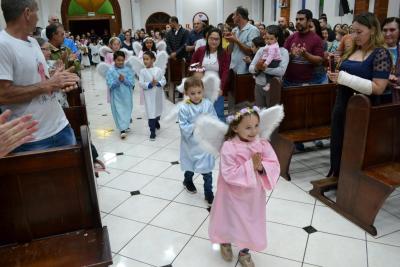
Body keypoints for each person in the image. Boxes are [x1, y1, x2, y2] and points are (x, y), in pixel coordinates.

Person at [0, 0, 79, 153]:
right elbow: (3, 94)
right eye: (37, 12)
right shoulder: (3, 45)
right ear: (27, 13)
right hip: (32, 138)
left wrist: (57, 81)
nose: (38, 18)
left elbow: (40, 82)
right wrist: (47, 85)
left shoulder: (34, 43)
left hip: (60, 125)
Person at [208, 105, 280, 267]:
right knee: (228, 219)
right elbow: (228, 172)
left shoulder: (262, 144)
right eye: (248, 127)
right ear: (235, 127)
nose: (254, 131)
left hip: (252, 197)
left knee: (250, 223)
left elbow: (274, 164)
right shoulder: (229, 146)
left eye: (256, 126)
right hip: (231, 195)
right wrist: (250, 165)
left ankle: (244, 252)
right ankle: (225, 241)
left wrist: (261, 167)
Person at [327, 12, 392, 177]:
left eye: (359, 32)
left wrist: (344, 78)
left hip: (364, 109)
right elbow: (344, 79)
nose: (354, 36)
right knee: (338, 141)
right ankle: (337, 173)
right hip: (342, 104)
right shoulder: (352, 51)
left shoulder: (380, 54)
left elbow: (378, 87)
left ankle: (352, 180)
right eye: (352, 31)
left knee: (356, 145)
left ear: (372, 30)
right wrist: (335, 77)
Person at [178, 77, 218, 205]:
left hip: (205, 143)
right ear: (186, 93)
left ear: (203, 91)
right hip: (191, 143)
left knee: (207, 169)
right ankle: (187, 180)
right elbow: (183, 126)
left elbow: (214, 119)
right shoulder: (184, 108)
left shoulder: (208, 104)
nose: (196, 96)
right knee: (191, 165)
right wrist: (196, 126)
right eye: (192, 93)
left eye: (199, 92)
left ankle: (208, 192)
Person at [191, 27, 231, 122]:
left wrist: (221, 88)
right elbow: (192, 66)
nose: (214, 41)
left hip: (216, 86)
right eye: (211, 38)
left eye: (216, 39)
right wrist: (199, 71)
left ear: (220, 40)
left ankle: (220, 133)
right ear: (207, 38)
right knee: (202, 112)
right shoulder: (200, 50)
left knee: (219, 113)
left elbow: (225, 72)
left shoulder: (224, 53)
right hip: (201, 85)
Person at [250, 25, 289, 108]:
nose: (267, 40)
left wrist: (264, 69)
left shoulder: (283, 52)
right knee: (260, 113)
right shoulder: (261, 49)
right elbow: (251, 68)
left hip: (273, 87)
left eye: (270, 38)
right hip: (259, 85)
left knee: (271, 114)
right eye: (266, 38)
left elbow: (281, 71)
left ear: (277, 38)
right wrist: (257, 68)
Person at [283, 9, 324, 87]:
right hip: (288, 81)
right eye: (296, 19)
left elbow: (319, 61)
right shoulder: (291, 37)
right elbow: (283, 57)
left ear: (309, 21)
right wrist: (291, 54)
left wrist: (305, 55)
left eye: (301, 19)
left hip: (307, 83)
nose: (298, 21)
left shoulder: (316, 39)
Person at [138, 51, 166, 140]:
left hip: (157, 94)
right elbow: (141, 83)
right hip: (149, 95)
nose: (145, 61)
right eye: (144, 59)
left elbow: (164, 80)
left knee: (157, 110)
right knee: (151, 112)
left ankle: (156, 121)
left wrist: (158, 83)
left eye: (147, 59)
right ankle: (152, 131)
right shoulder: (142, 71)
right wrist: (150, 84)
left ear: (153, 60)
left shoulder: (158, 70)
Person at [106, 51, 134, 139]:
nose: (120, 62)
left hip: (126, 94)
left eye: (122, 60)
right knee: (118, 110)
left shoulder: (128, 70)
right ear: (114, 60)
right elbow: (110, 84)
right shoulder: (111, 71)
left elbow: (132, 83)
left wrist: (124, 80)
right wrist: (118, 81)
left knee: (127, 109)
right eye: (118, 60)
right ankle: (122, 129)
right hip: (116, 95)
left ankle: (125, 125)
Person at [225, 6, 260, 74]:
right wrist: (231, 41)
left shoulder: (253, 30)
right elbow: (229, 52)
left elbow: (250, 51)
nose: (232, 17)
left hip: (245, 70)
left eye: (234, 15)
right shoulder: (234, 30)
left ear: (239, 16)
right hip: (233, 68)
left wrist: (236, 41)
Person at [382, 17, 400, 102]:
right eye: (385, 30)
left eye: (392, 30)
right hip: (376, 97)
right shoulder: (373, 50)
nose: (387, 34)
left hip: (396, 98)